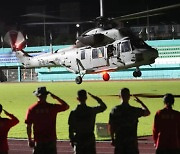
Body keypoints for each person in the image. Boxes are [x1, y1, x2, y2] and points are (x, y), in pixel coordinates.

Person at [25, 86, 69, 154]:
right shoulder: (52, 107)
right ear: (46, 96)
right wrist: (56, 97)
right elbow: (66, 106)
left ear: (37, 96)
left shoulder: (32, 109)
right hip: (51, 139)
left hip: (39, 140)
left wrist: (29, 140)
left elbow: (28, 126)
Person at [108, 87, 150, 154]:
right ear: (129, 96)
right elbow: (147, 112)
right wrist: (141, 103)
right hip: (132, 143)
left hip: (120, 141)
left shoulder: (115, 110)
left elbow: (111, 126)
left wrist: (112, 138)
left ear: (119, 96)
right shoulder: (134, 111)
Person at [68, 89, 107, 154]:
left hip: (79, 138)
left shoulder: (74, 112)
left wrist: (71, 140)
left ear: (77, 98)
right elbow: (103, 107)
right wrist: (96, 98)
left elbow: (70, 127)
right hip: (89, 138)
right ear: (86, 98)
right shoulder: (91, 110)